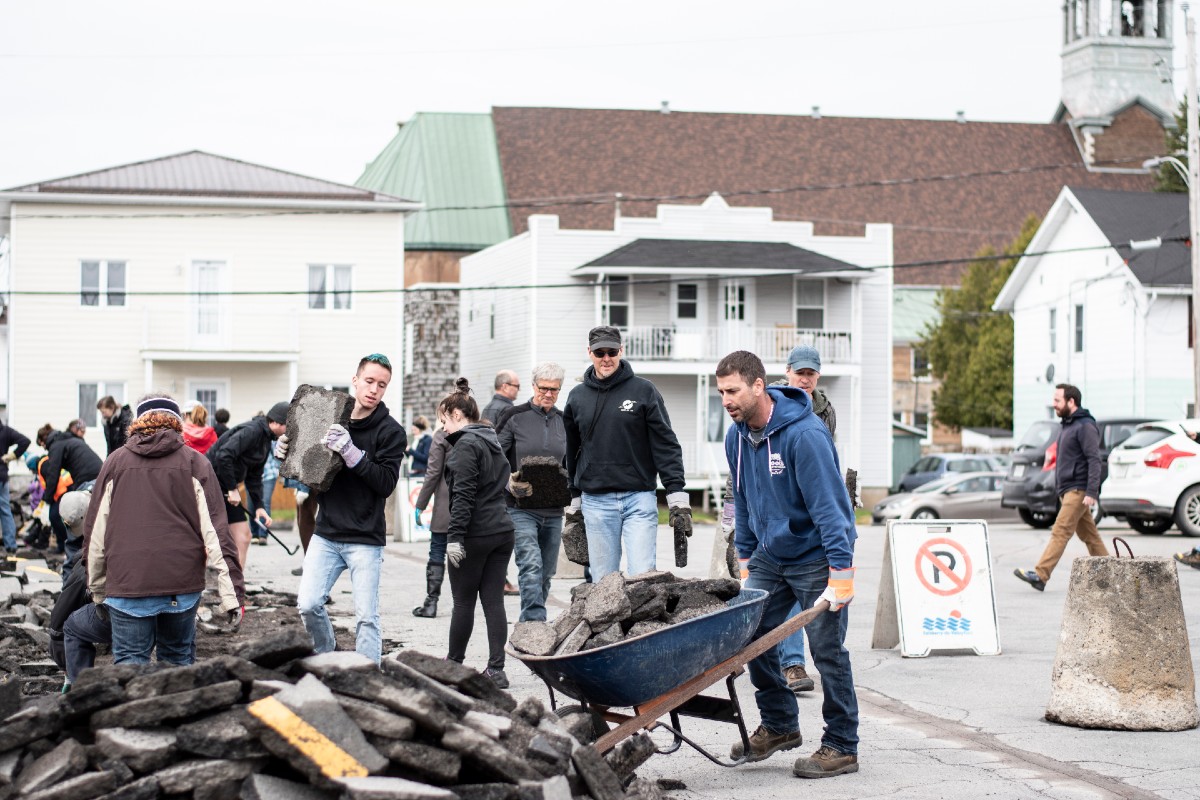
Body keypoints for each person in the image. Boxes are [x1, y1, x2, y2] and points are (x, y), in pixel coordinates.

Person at [716, 350, 859, 778]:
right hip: (770, 557)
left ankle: (841, 744)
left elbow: (833, 510)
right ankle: (780, 725)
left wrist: (841, 575)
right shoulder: (736, 436)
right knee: (751, 635)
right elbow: (741, 500)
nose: (726, 400)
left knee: (827, 652)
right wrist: (745, 562)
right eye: (721, 391)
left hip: (815, 557)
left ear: (758, 386)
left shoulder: (805, 436)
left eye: (733, 390)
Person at [82, 395, 245, 668]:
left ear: (137, 423)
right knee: (178, 662)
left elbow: (95, 534)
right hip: (180, 586)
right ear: (178, 423)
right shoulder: (196, 463)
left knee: (130, 668)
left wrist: (97, 588)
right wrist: (232, 595)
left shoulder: (115, 463)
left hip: (127, 584)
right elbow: (216, 532)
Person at [295, 353, 406, 664]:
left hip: (365, 538)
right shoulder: (332, 419)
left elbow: (385, 483)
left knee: (367, 617)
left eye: (381, 385)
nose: (373, 389)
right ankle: (327, 657)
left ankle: (367, 675)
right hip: (327, 532)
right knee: (308, 603)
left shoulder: (390, 432)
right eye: (369, 381)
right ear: (355, 380)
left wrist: (351, 452)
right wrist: (287, 453)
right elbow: (311, 470)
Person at [562, 326, 691, 580]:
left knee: (642, 579)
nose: (606, 358)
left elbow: (665, 443)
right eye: (600, 352)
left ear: (621, 350)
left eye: (612, 351)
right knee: (603, 585)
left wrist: (677, 495)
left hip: (638, 498)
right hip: (595, 502)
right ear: (589, 353)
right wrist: (574, 497)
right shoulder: (576, 397)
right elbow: (571, 449)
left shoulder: (644, 391)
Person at [439, 378, 515, 688]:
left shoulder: (465, 446)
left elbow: (464, 497)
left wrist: (454, 538)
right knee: (494, 601)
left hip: (474, 535)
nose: (443, 428)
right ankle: (497, 669)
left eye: (443, 420)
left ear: (457, 414)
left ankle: (453, 664)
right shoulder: (491, 439)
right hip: (502, 530)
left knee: (463, 603)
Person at [774, 344, 836, 693]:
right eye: (799, 373)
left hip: (811, 508)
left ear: (817, 376)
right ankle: (792, 664)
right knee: (783, 591)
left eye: (810, 374)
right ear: (788, 372)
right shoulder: (771, 403)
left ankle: (817, 660)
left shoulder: (826, 410)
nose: (804, 379)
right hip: (778, 506)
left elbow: (826, 458)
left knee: (809, 590)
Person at [1015, 383, 1108, 592]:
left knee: (1060, 531)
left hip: (1078, 490)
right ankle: (1113, 574)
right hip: (1067, 490)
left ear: (1071, 401)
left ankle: (1040, 575)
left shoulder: (1085, 425)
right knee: (1090, 537)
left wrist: (1092, 491)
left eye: (1057, 400)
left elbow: (1095, 459)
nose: (1054, 404)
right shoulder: (1068, 425)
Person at [498, 362, 569, 622]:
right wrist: (508, 481)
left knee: (546, 572)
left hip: (553, 510)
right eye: (543, 388)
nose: (548, 394)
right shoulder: (513, 416)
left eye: (554, 390)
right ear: (533, 386)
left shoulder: (564, 421)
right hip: (520, 507)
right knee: (530, 565)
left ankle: (533, 617)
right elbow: (495, 457)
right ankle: (533, 622)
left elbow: (571, 463)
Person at [206, 402, 289, 567]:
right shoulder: (252, 431)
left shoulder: (266, 440)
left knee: (243, 537)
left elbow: (254, 476)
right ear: (276, 423)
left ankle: (236, 589)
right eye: (289, 425)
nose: (290, 431)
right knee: (207, 540)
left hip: (227, 488)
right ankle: (194, 589)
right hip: (210, 485)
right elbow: (224, 456)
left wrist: (259, 506)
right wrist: (231, 488)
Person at [36, 423, 102, 569]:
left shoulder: (56, 445)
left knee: (76, 520)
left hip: (87, 479)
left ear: (43, 440)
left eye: (42, 445)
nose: (45, 449)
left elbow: (53, 475)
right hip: (100, 475)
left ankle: (74, 564)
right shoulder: (68, 439)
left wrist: (46, 502)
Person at [412, 425, 452, 618]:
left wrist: (421, 503)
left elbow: (433, 472)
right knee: (465, 554)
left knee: (437, 550)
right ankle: (463, 604)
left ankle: (431, 602)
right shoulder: (480, 431)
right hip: (472, 506)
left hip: (445, 504)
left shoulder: (442, 435)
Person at [0, 419, 30, 554]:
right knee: (5, 509)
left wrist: (12, 455)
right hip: (3, 476)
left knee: (5, 509)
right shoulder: (6, 431)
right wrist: (12, 456)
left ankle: (10, 545)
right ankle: (10, 545)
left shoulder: (5, 431)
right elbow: (25, 441)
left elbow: (25, 441)